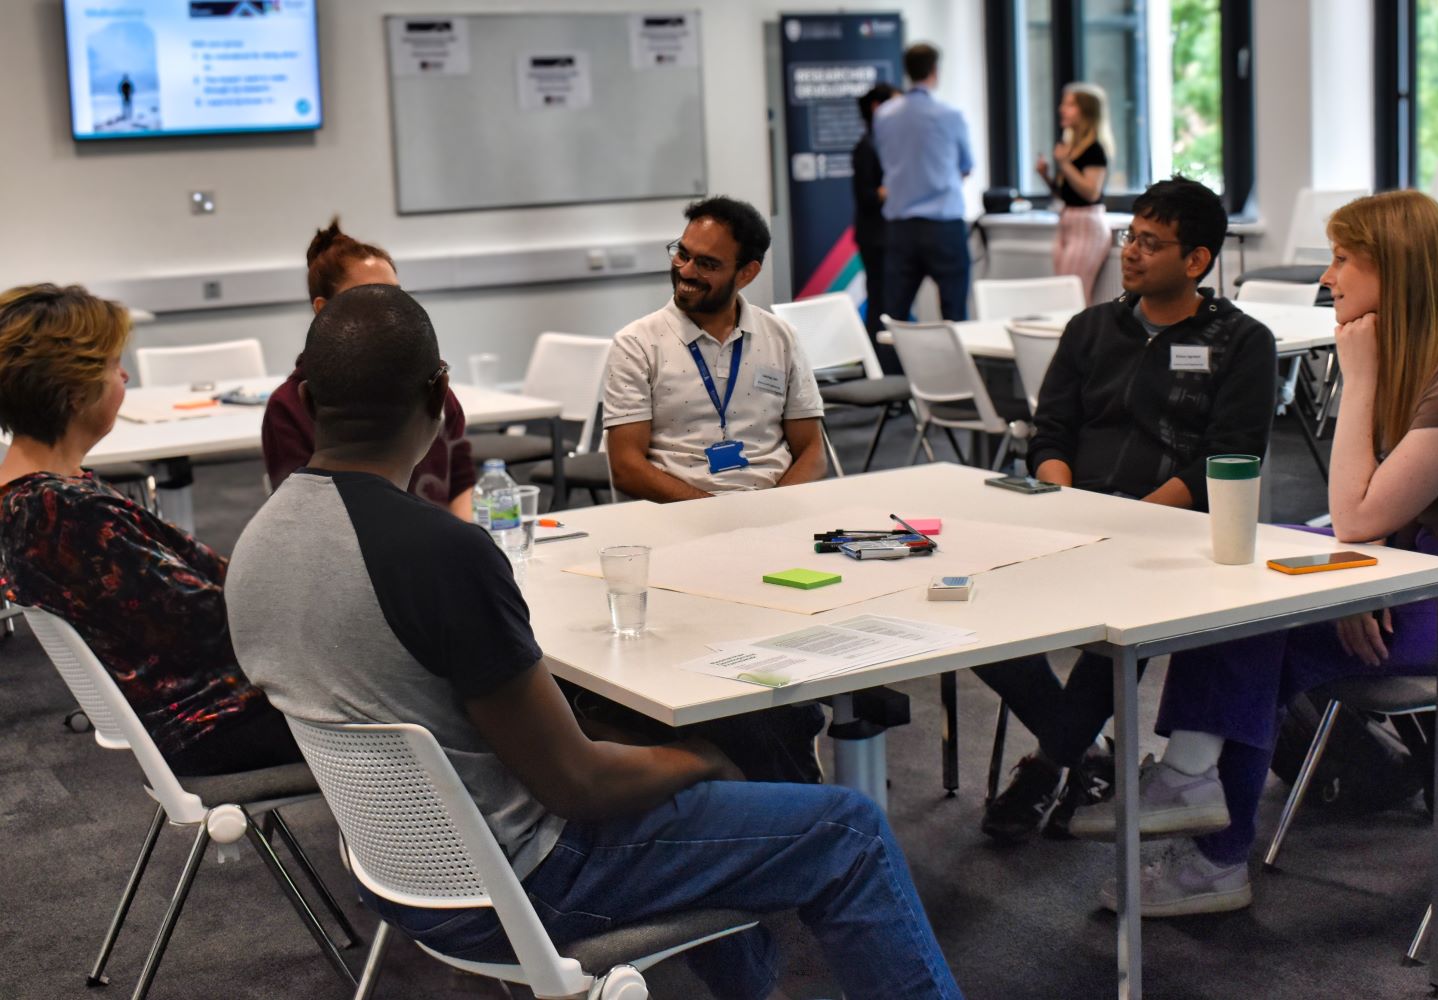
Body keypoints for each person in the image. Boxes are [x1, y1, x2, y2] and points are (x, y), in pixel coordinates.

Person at [224, 284, 964, 1000]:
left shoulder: (253, 551)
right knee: (848, 829)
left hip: (403, 876)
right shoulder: (442, 552)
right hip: (531, 880)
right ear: (441, 397)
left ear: (308, 402)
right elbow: (576, 785)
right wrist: (706, 758)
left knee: (655, 748)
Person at [1067, 189, 1438, 918]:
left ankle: (1203, 818)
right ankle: (1200, 806)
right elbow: (1377, 520)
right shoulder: (1427, 357)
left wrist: (1355, 378)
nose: (1327, 278)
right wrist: (1366, 580)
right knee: (1240, 561)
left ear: (1394, 271)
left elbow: (1359, 516)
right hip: (1423, 562)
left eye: (1342, 261)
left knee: (1269, 623)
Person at [973, 176, 1279, 845]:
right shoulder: (1090, 330)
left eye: (1150, 242)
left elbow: (1226, 461)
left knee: (1119, 627)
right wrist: (1061, 498)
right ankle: (1081, 755)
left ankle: (1049, 765)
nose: (1130, 253)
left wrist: (1133, 517)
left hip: (1173, 530)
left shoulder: (1241, 342)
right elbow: (1049, 433)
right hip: (1072, 516)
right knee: (968, 610)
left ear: (1195, 260)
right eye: (1128, 237)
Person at [0, 284, 300, 776]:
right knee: (421, 686)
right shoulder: (62, 512)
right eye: (112, 364)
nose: (124, 375)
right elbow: (215, 624)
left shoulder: (42, 495)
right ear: (75, 390)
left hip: (192, 707)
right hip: (214, 720)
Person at [604, 195, 827, 503]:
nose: (686, 271)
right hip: (680, 513)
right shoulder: (637, 344)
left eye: (707, 264)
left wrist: (775, 510)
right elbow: (626, 468)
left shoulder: (781, 337)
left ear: (747, 273)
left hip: (772, 506)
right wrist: (718, 514)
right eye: (682, 254)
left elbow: (814, 452)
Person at [261, 217, 476, 519]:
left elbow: (461, 484)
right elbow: (302, 518)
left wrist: (465, 547)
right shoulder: (287, 407)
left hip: (436, 549)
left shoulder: (430, 383)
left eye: (395, 295)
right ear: (323, 309)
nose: (388, 309)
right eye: (368, 296)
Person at [873, 42, 975, 324]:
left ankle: (890, 369)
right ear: (934, 70)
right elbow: (966, 167)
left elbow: (887, 161)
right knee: (954, 313)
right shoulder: (950, 116)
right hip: (943, 227)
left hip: (901, 228)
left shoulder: (884, 115)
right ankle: (955, 370)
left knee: (894, 315)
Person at [1036, 82, 1113, 301]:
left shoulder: (1095, 150)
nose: (1062, 109)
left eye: (1070, 104)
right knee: (1063, 292)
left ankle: (1080, 335)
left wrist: (1065, 165)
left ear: (1086, 111)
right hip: (1068, 221)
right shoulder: (1070, 147)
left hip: (1087, 224)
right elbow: (1068, 195)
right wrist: (1046, 176)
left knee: (1074, 295)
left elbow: (1091, 193)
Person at [853, 82, 899, 364]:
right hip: (876, 237)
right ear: (877, 107)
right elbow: (865, 195)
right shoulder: (867, 147)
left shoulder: (887, 144)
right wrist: (893, 188)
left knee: (889, 302)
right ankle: (878, 365)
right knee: (880, 302)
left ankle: (888, 363)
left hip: (888, 235)